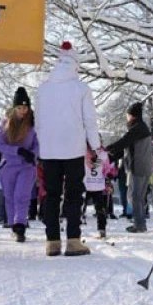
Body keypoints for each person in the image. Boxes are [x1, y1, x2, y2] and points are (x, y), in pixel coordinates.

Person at [35, 41, 101, 256]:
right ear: (75, 64)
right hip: (73, 147)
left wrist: (41, 145)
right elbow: (89, 119)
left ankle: (52, 241)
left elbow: (38, 121)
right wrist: (96, 146)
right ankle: (73, 240)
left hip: (49, 149)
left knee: (51, 195)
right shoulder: (81, 88)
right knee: (74, 194)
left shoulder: (43, 89)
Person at [0, 87, 39, 242]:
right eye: (19, 108)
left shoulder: (33, 124)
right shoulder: (5, 124)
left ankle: (20, 225)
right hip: (9, 165)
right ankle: (13, 224)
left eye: (25, 107)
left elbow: (38, 144)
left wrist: (32, 154)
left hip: (26, 166)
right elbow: (0, 145)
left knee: (21, 195)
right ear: (14, 108)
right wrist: (17, 150)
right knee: (10, 196)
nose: (22, 111)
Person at [106, 102, 153, 233]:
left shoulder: (137, 128)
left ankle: (139, 225)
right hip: (143, 167)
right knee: (136, 196)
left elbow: (123, 142)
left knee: (135, 196)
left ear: (132, 115)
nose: (126, 117)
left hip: (138, 167)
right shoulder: (140, 128)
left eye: (128, 114)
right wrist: (109, 158)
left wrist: (106, 150)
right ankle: (140, 223)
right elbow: (126, 149)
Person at [83, 148, 111, 238]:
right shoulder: (102, 155)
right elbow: (107, 170)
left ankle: (74, 230)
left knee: (80, 207)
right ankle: (102, 229)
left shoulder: (83, 152)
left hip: (87, 185)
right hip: (97, 185)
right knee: (100, 209)